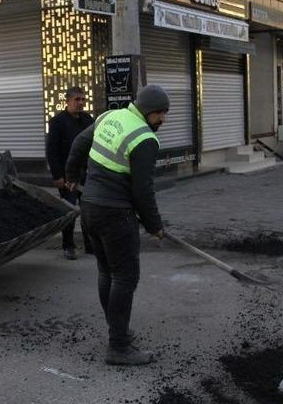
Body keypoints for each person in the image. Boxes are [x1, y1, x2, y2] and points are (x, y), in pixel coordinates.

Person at [64, 85, 168, 366]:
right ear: (148, 111)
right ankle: (118, 347)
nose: (163, 119)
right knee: (125, 277)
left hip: (90, 208)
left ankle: (117, 331)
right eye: (160, 114)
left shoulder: (109, 116)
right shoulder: (145, 138)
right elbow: (142, 191)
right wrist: (154, 225)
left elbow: (79, 144)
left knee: (107, 272)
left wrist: (71, 176)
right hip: (115, 215)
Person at [46, 86, 94, 260]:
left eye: (83, 99)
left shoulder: (88, 120)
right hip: (67, 176)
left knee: (88, 211)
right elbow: (52, 150)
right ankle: (68, 245)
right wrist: (57, 176)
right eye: (77, 99)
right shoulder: (57, 122)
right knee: (70, 211)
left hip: (86, 174)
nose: (81, 103)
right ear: (67, 101)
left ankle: (90, 245)